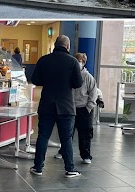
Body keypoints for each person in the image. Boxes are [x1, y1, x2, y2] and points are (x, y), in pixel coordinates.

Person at [30, 35, 83, 178]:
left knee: (43, 136)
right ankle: (70, 169)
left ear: (55, 45)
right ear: (67, 46)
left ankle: (38, 167)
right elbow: (78, 83)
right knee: (66, 139)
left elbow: (35, 80)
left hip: (47, 104)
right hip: (66, 106)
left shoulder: (44, 60)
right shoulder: (72, 62)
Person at [54, 52, 97, 164]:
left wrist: (88, 108)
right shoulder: (69, 75)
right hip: (70, 107)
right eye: (76, 60)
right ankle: (63, 151)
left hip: (83, 109)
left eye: (80, 61)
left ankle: (86, 155)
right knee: (67, 132)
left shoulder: (88, 77)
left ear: (83, 62)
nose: (78, 63)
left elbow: (93, 94)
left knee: (85, 133)